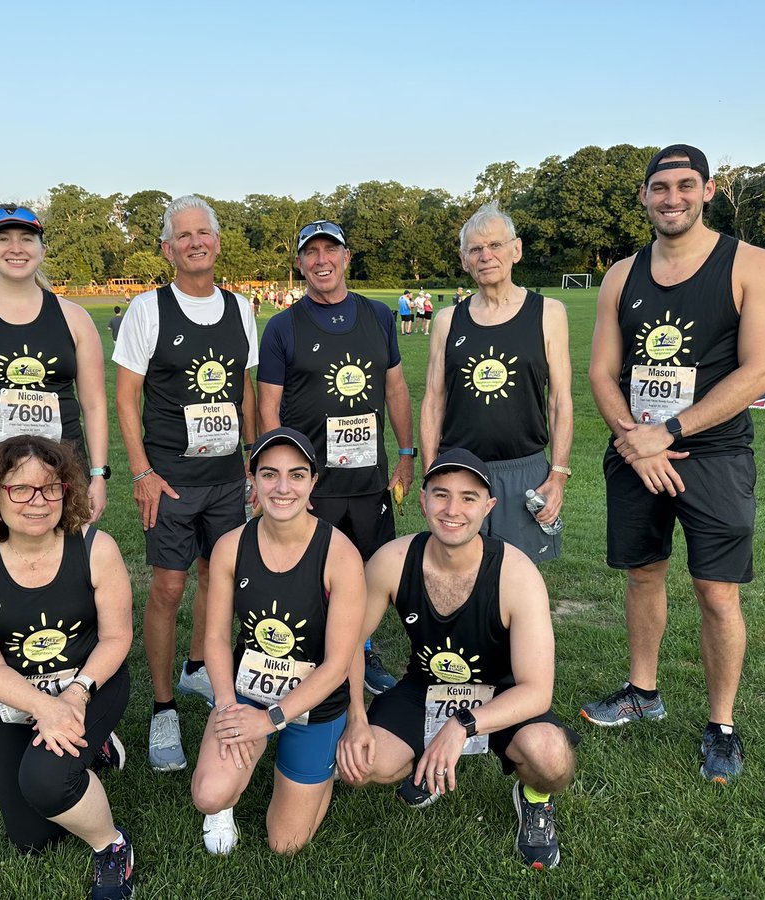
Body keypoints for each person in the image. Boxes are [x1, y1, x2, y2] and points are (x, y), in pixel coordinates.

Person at [582, 144, 765, 785]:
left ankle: (721, 724)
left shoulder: (749, 264)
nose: (672, 198)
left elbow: (759, 371)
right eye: (660, 187)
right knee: (643, 574)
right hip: (636, 451)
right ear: (644, 196)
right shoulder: (622, 275)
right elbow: (601, 372)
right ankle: (643, 692)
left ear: (708, 190)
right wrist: (634, 439)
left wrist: (666, 432)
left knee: (716, 591)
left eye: (685, 185)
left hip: (713, 453)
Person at [336, 448, 579, 869]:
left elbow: (537, 691)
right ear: (423, 500)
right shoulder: (392, 561)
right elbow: (347, 646)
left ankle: (534, 798)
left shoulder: (517, 574)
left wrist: (462, 725)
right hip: (425, 687)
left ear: (489, 506)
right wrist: (356, 716)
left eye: (468, 498)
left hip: (501, 693)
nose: (453, 510)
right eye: (441, 494)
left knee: (552, 761)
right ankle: (428, 762)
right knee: (362, 765)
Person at [0, 436, 134, 899]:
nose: (38, 501)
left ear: (66, 492)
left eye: (51, 488)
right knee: (32, 837)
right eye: (21, 489)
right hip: (15, 698)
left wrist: (76, 694)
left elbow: (116, 638)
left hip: (91, 682)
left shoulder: (96, 547)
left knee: (46, 782)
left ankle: (112, 846)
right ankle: (93, 749)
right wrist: (44, 707)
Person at [113, 195, 259, 771]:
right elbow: (126, 398)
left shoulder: (241, 308)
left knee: (215, 580)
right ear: (167, 248)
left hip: (226, 478)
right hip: (171, 481)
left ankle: (196, 668)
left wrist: (254, 461)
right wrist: (142, 471)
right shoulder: (148, 309)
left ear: (217, 242)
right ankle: (163, 707)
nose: (195, 242)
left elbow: (244, 392)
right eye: (184, 235)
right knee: (169, 588)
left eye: (204, 233)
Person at [257, 220, 415, 696]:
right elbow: (268, 406)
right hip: (313, 482)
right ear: (300, 263)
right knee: (309, 571)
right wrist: (280, 478)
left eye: (331, 250)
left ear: (347, 257)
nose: (321, 260)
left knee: (368, 571)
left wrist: (406, 454)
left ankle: (361, 652)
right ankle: (311, 657)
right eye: (311, 252)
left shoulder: (378, 316)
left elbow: (395, 388)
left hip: (369, 478)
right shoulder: (283, 326)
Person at [191, 428, 365, 855]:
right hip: (247, 691)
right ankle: (227, 802)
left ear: (313, 482)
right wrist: (227, 705)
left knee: (286, 843)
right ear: (252, 479)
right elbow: (215, 637)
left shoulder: (340, 555)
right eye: (270, 474)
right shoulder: (231, 546)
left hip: (317, 702)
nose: (282, 487)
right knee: (210, 794)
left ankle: (316, 767)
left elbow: (337, 665)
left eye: (296, 475)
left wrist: (270, 720)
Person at [0, 204, 111, 524]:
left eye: (26, 239)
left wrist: (97, 475)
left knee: (68, 556)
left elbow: (94, 404)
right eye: (3, 239)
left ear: (42, 249)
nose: (16, 248)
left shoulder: (75, 317)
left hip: (63, 479)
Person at [420, 201, 573, 564]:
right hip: (459, 472)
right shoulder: (447, 320)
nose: (485, 256)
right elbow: (433, 400)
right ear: (464, 260)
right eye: (475, 249)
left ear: (516, 250)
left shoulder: (548, 312)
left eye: (495, 245)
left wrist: (558, 475)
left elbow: (559, 400)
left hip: (524, 471)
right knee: (457, 573)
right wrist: (430, 475)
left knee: (520, 577)